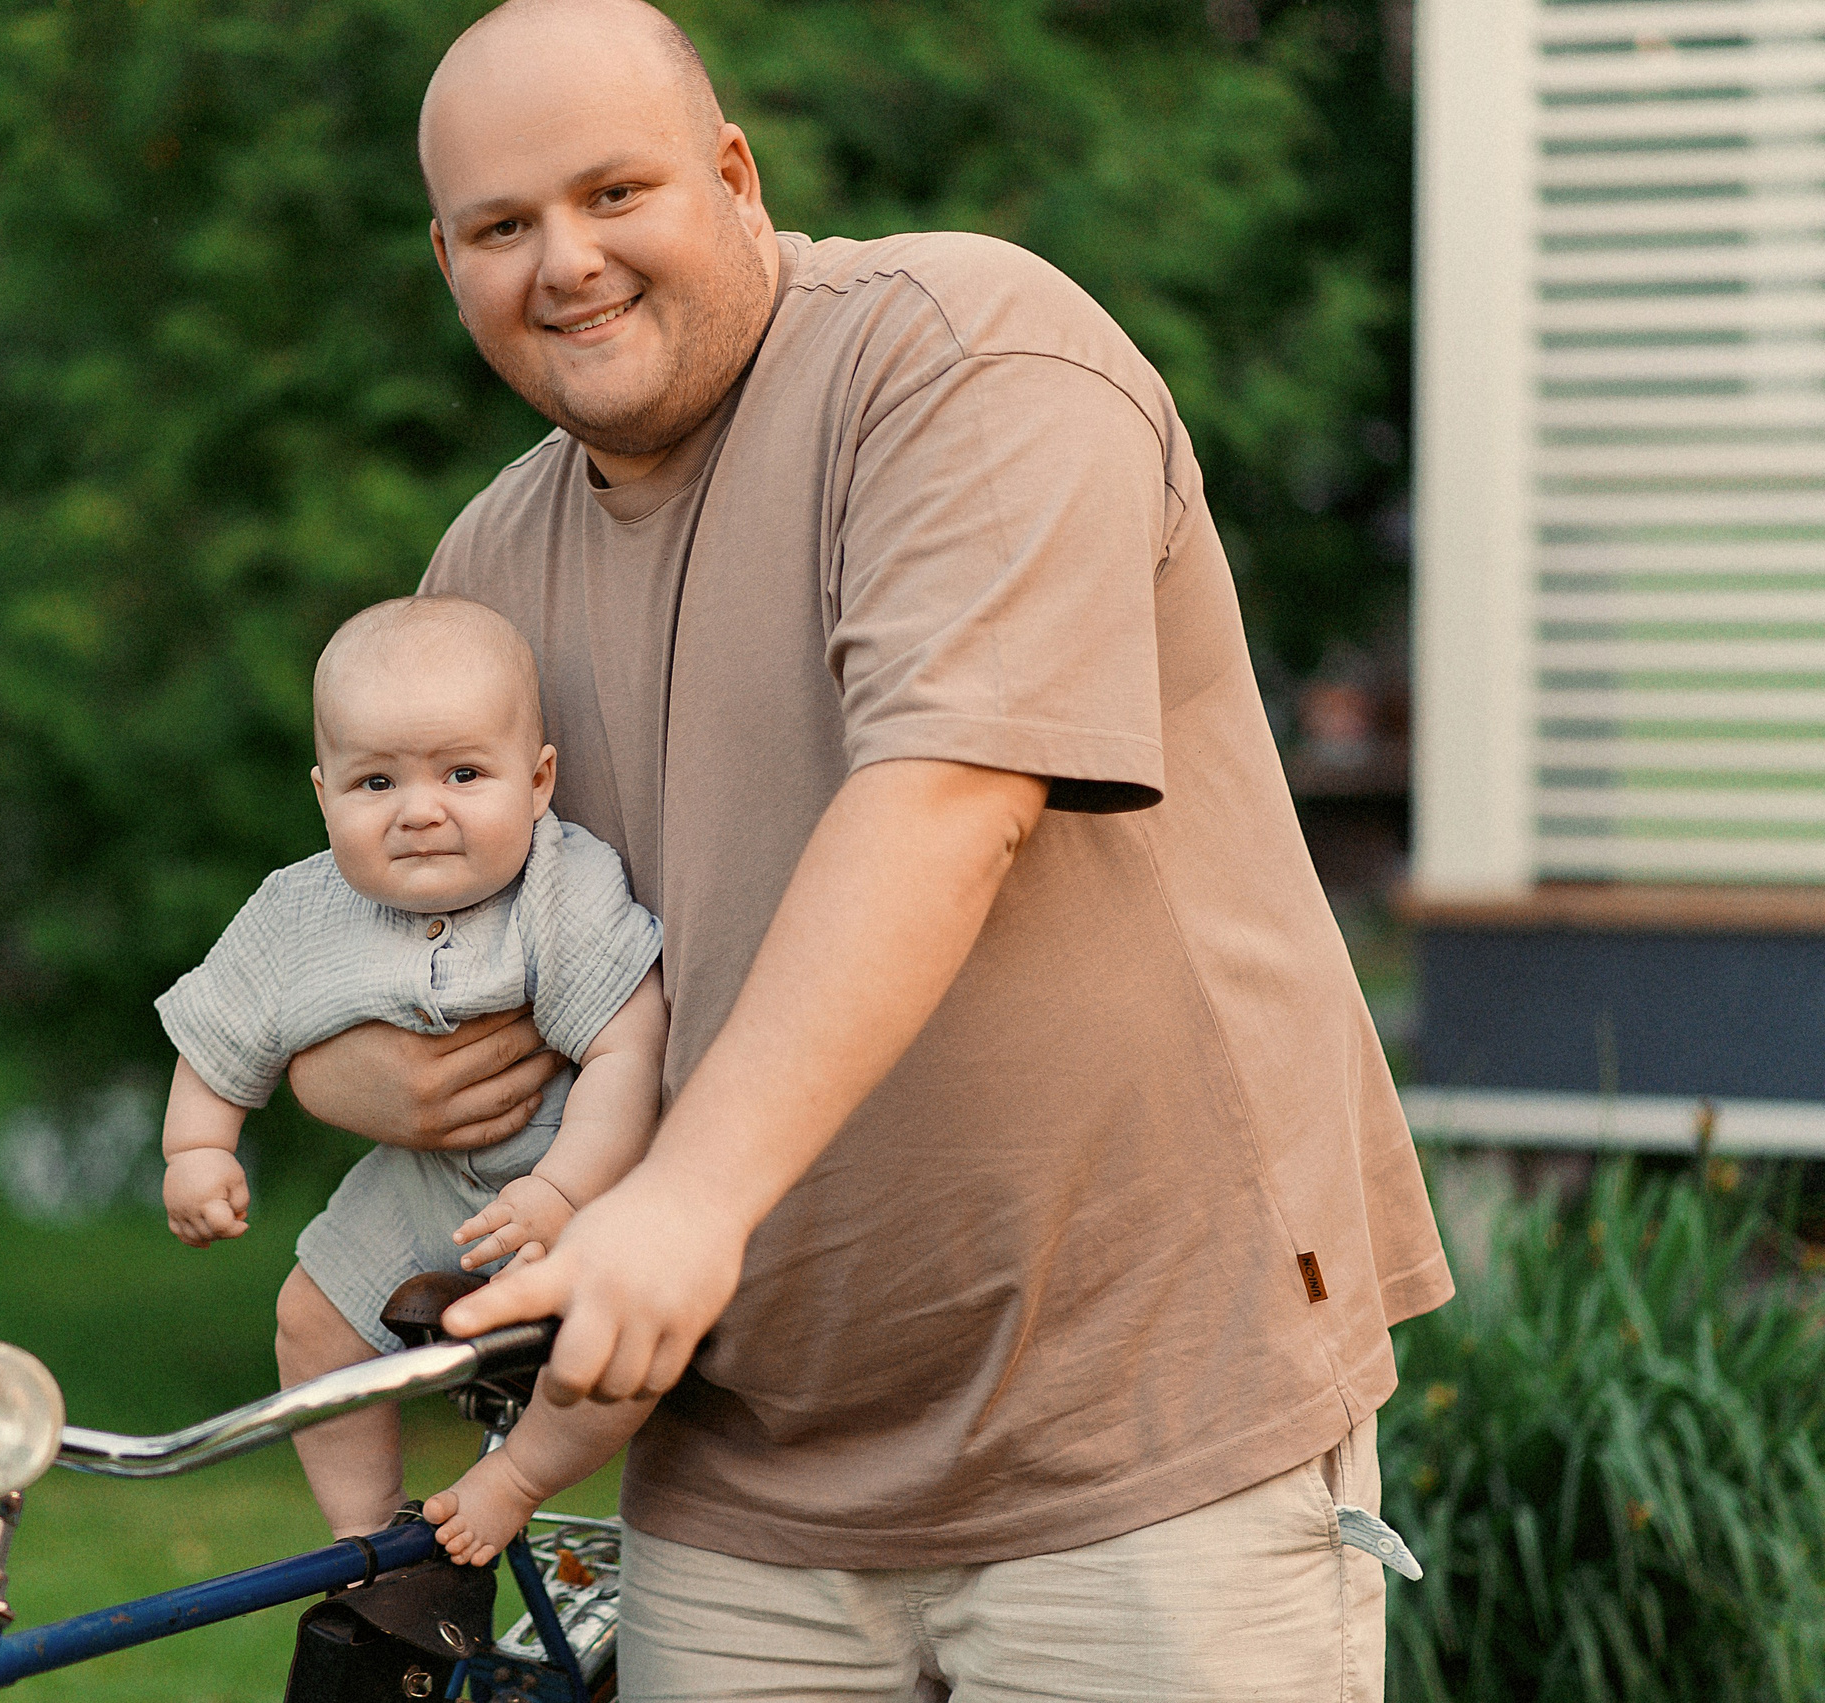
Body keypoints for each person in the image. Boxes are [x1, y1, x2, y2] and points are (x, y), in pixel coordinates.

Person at [277, 1, 1456, 1698]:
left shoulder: (965, 357)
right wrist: (351, 1070)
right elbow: (432, 940)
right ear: (447, 260)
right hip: (743, 1482)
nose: (567, 261)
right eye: (501, 225)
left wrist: (689, 1199)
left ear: (734, 174)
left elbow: (948, 799)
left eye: (615, 193)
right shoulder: (486, 567)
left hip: (1143, 1446)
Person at [155, 594, 665, 1564]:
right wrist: (198, 1147)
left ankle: (516, 1477)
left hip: (575, 1170)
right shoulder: (298, 909)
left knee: (622, 1327)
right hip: (417, 1182)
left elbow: (625, 1052)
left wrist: (564, 1189)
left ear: (537, 780)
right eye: (376, 780)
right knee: (310, 1315)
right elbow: (221, 1029)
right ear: (324, 796)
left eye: (463, 773)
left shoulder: (563, 885)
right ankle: (364, 1539)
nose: (419, 809)